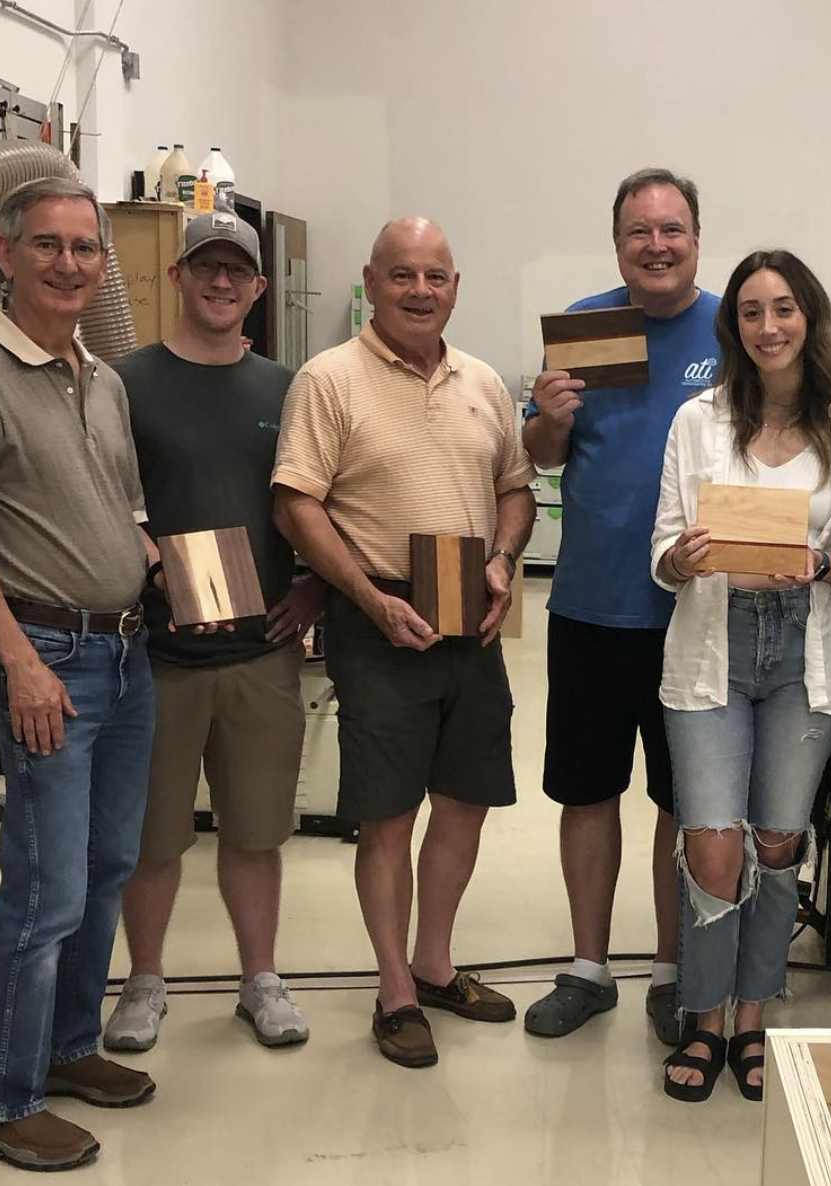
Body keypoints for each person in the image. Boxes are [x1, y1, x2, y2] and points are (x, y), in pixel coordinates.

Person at [271, 217, 535, 1068]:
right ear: (371, 281)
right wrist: (364, 600)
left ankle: (435, 962)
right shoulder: (328, 380)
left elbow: (516, 490)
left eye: (436, 276)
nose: (420, 291)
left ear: (455, 285)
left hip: (472, 618)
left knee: (465, 801)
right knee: (387, 816)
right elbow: (297, 504)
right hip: (378, 617)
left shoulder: (484, 382)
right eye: (402, 276)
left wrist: (501, 561)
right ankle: (393, 991)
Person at [0, 178, 158, 1171]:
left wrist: (182, 573)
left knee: (105, 867)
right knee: (44, 890)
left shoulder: (100, 375)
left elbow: (124, 513)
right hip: (50, 663)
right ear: (6, 254)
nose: (71, 264)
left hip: (124, 656)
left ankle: (69, 1045)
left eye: (86, 248)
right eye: (49, 246)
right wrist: (19, 661)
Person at [651, 250, 831, 1101]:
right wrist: (681, 557)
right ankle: (703, 1016)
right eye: (751, 312)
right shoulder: (696, 421)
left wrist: (824, 564)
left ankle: (752, 1016)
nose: (770, 326)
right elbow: (663, 552)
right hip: (713, 641)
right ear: (734, 327)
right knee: (713, 841)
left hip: (806, 651)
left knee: (779, 841)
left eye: (784, 309)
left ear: (809, 317)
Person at [103, 212, 326, 1054]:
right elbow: (100, 495)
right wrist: (142, 551)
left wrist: (313, 589)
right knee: (154, 836)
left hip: (261, 655)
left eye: (238, 270)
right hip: (153, 656)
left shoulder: (288, 389)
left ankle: (260, 979)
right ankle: (145, 982)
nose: (222, 282)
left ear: (259, 289)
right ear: (178, 277)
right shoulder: (123, 384)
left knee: (257, 830)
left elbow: (316, 504)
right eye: (207, 267)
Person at [522, 168, 720, 1044]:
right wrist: (546, 417)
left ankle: (674, 971)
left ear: (695, 239)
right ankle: (589, 966)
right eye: (639, 231)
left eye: (671, 229)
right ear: (618, 244)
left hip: (698, 613)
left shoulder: (735, 331)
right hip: (593, 607)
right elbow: (541, 457)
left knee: (684, 800)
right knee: (588, 791)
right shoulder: (588, 328)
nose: (656, 245)